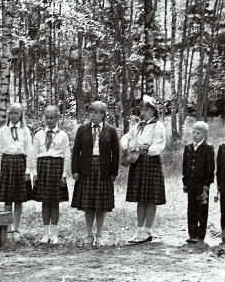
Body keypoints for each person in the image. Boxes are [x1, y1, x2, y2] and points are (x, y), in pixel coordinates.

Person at [71, 101, 120, 247]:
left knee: (101, 204)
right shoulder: (83, 129)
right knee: (88, 204)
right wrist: (75, 170)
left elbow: (115, 153)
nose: (92, 115)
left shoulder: (110, 130)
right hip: (86, 168)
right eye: (91, 112)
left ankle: (99, 234)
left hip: (103, 169)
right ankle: (89, 235)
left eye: (96, 112)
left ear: (103, 115)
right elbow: (76, 151)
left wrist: (114, 172)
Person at [121, 95, 166, 244]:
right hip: (138, 162)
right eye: (142, 109)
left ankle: (147, 230)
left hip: (150, 162)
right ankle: (139, 230)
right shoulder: (138, 125)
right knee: (140, 198)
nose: (144, 112)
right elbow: (127, 137)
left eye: (147, 109)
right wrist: (126, 144)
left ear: (154, 111)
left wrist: (145, 148)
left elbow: (158, 146)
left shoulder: (158, 126)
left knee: (150, 198)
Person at [30, 105, 71, 244]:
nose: (49, 120)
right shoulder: (38, 135)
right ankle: (45, 233)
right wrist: (34, 173)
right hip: (42, 169)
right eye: (47, 117)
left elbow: (66, 155)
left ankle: (54, 234)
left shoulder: (62, 135)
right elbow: (34, 155)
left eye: (52, 118)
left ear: (57, 118)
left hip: (56, 168)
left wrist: (64, 174)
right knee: (45, 202)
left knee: (55, 202)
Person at [0, 102, 32, 242]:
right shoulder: (3, 130)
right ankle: (8, 228)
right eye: (11, 113)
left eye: (16, 113)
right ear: (8, 115)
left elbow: (29, 152)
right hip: (6, 163)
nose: (13, 116)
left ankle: (16, 228)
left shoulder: (25, 131)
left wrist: (28, 171)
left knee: (18, 199)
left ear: (21, 114)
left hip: (20, 163)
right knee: (8, 199)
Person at [182, 121, 215, 244]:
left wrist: (207, 183)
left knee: (202, 208)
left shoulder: (208, 148)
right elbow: (185, 166)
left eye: (198, 133)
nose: (195, 135)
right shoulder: (188, 148)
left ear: (204, 134)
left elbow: (210, 167)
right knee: (191, 209)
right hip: (190, 183)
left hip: (202, 184)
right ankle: (192, 234)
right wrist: (185, 182)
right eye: (193, 132)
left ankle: (200, 236)